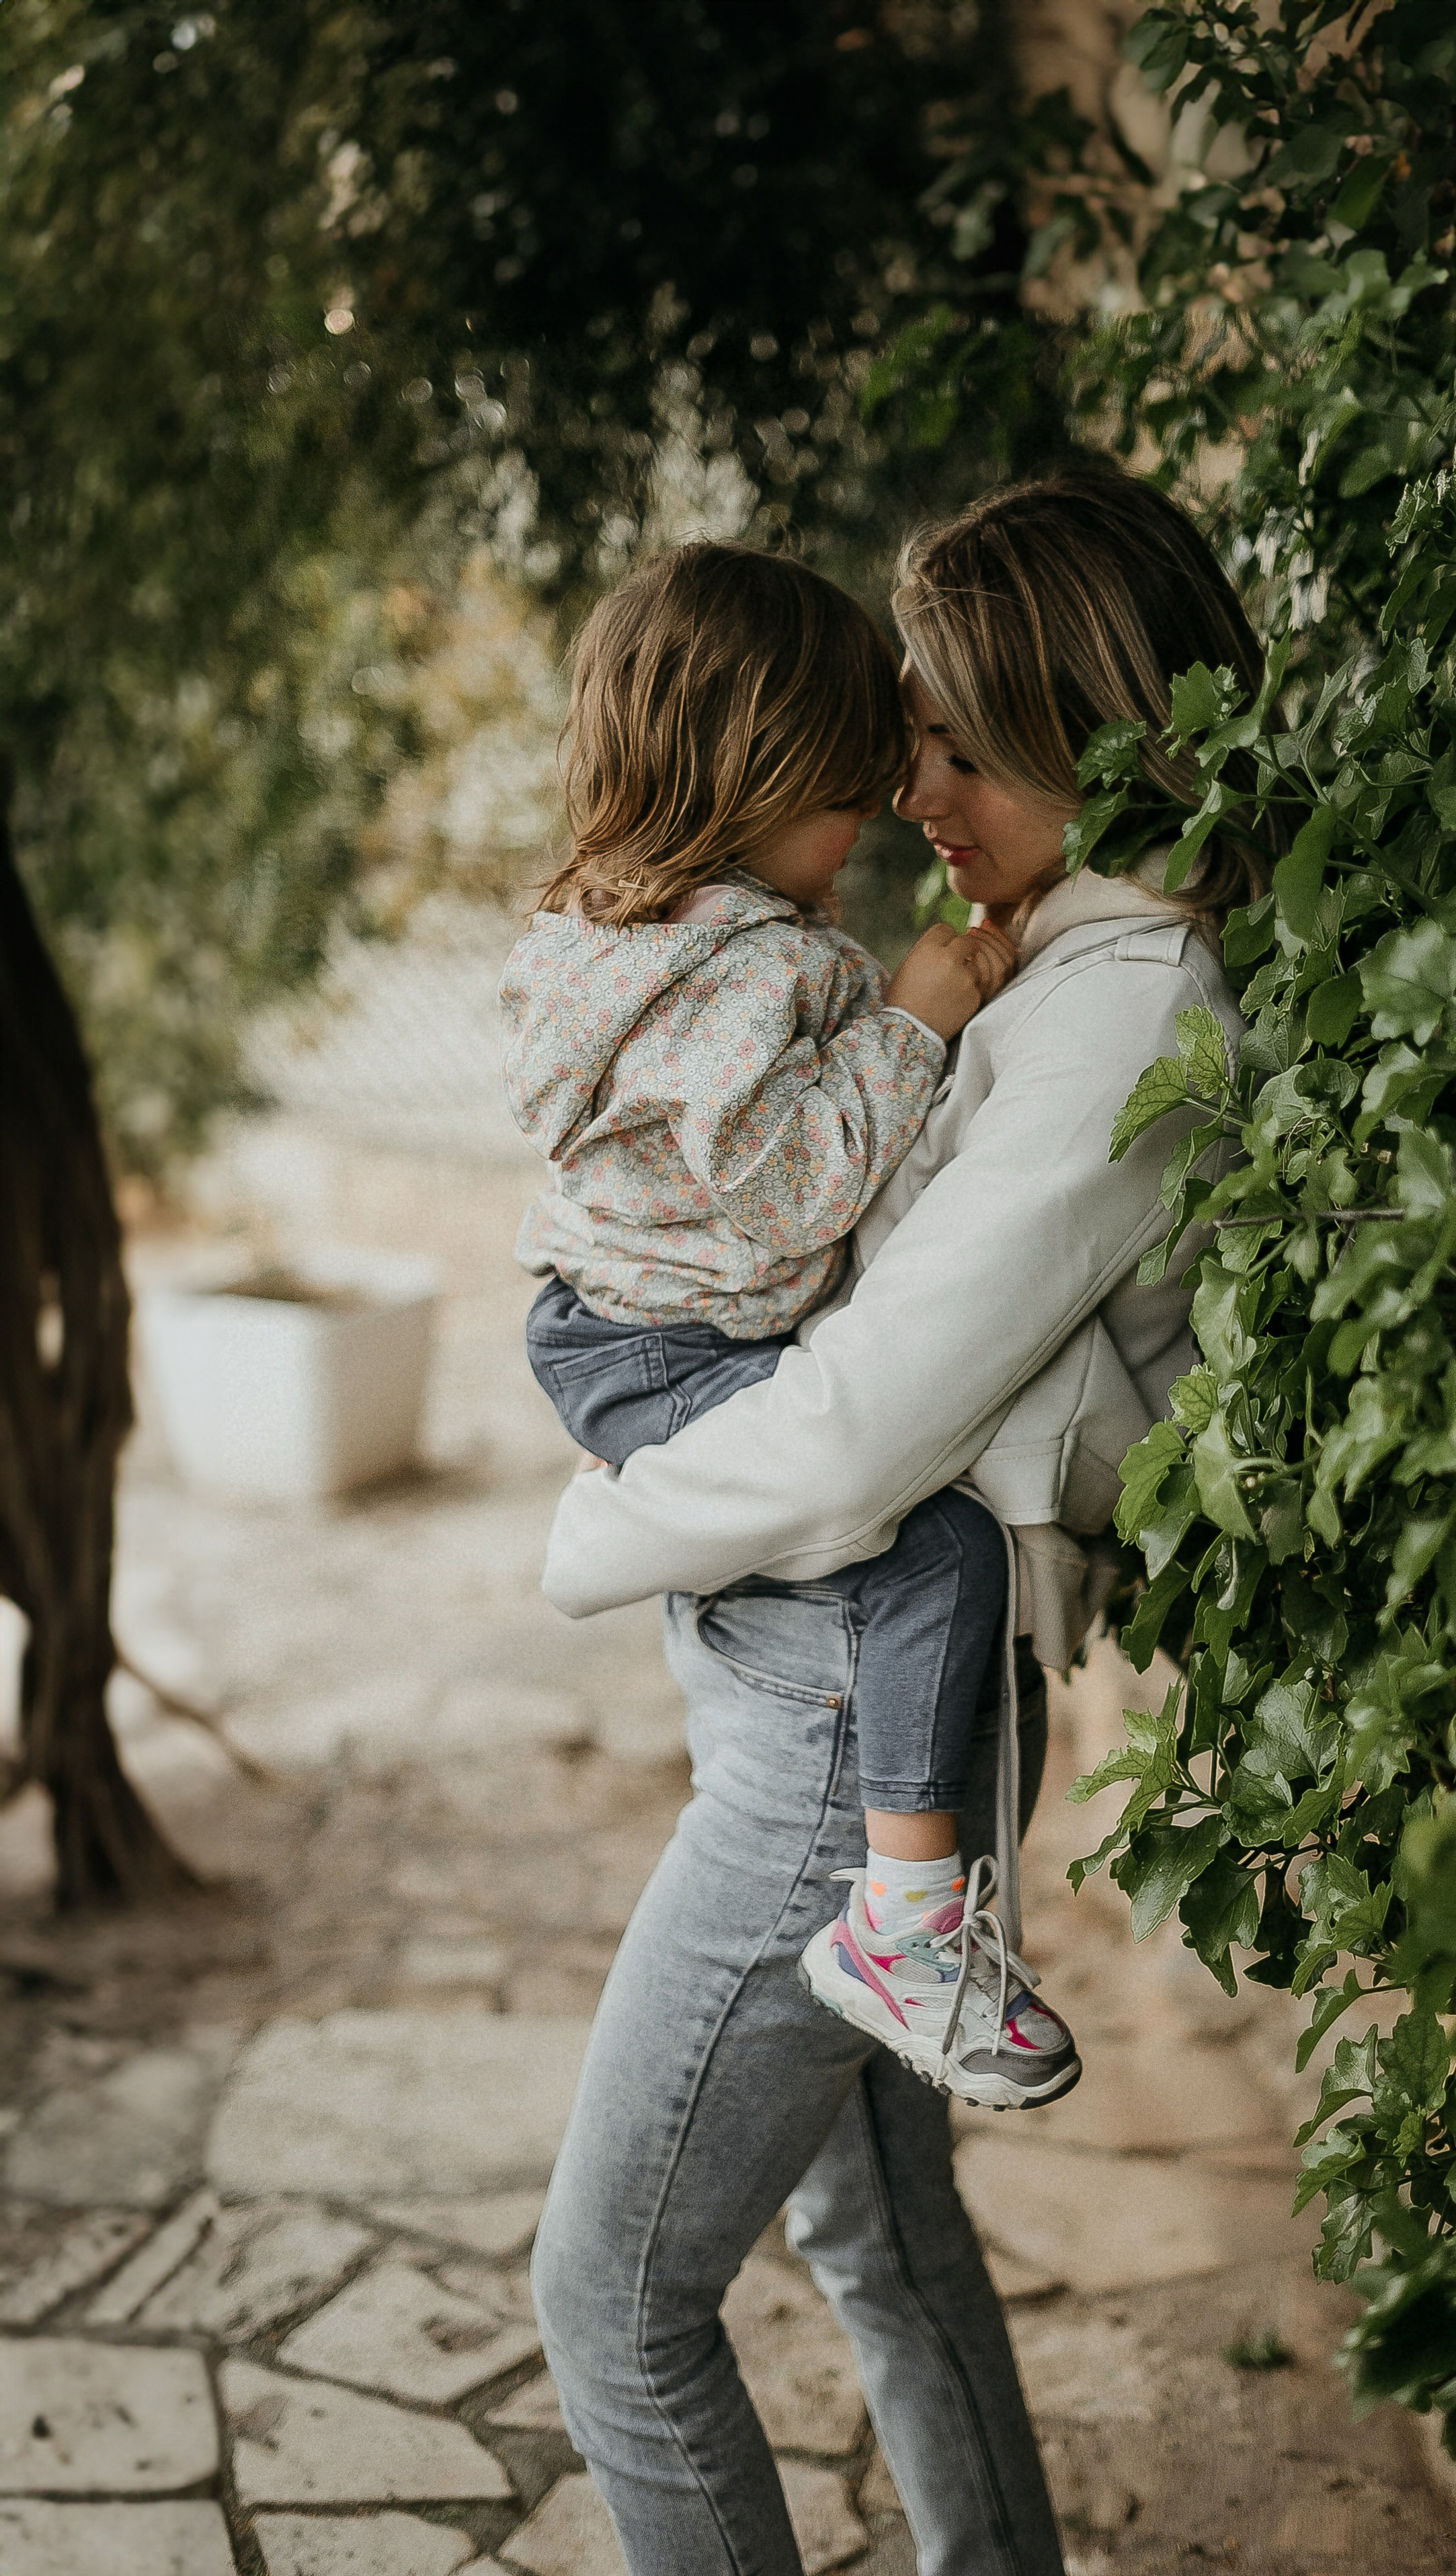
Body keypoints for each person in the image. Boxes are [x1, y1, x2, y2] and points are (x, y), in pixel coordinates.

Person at [528, 464, 1272, 2576]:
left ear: (1095, 731)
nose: (910, 782)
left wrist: (597, 1534)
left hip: (840, 1720)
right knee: (870, 2213)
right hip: (823, 1668)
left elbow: (862, 1436)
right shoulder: (1051, 965)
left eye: (954, 736)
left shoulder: (1128, 1015)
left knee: (613, 2300)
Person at [502, 540, 1083, 2110]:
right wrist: (912, 1020)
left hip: (614, 1324)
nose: (887, 813)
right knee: (936, 1557)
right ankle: (899, 1925)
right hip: (661, 1346)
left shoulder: (633, 936)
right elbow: (784, 1198)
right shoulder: (741, 972)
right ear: (753, 782)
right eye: (855, 788)